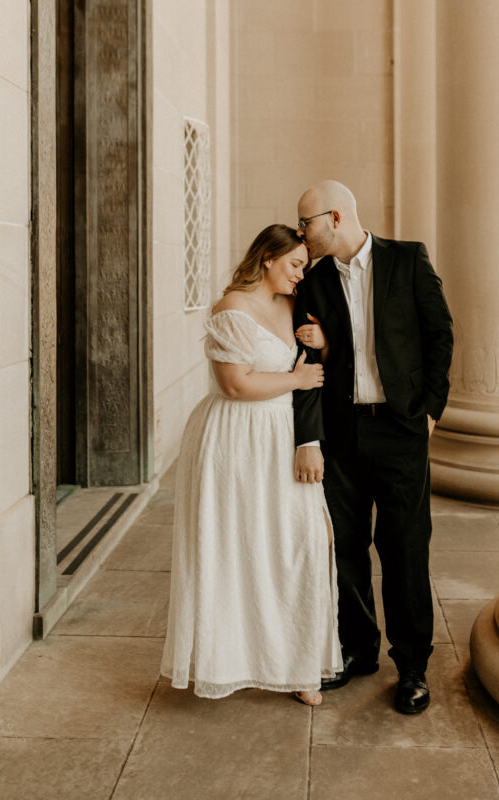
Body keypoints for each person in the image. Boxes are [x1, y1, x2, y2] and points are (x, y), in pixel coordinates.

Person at [160, 224, 343, 706]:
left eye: (303, 266)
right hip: (235, 438)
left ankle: (302, 662)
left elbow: (318, 363)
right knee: (237, 546)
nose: (300, 275)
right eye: (294, 265)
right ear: (267, 257)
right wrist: (298, 377)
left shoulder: (294, 304)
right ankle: (233, 661)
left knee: (302, 541)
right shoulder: (232, 308)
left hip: (282, 434)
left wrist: (320, 346)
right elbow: (235, 386)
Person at [292, 182, 453, 715]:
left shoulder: (407, 261)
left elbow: (439, 334)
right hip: (342, 434)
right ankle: (358, 651)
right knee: (345, 546)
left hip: (401, 429)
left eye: (306, 224)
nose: (301, 234)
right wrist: (310, 436)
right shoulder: (313, 283)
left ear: (334, 217)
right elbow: (309, 365)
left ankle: (412, 668)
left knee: (406, 549)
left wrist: (430, 409)